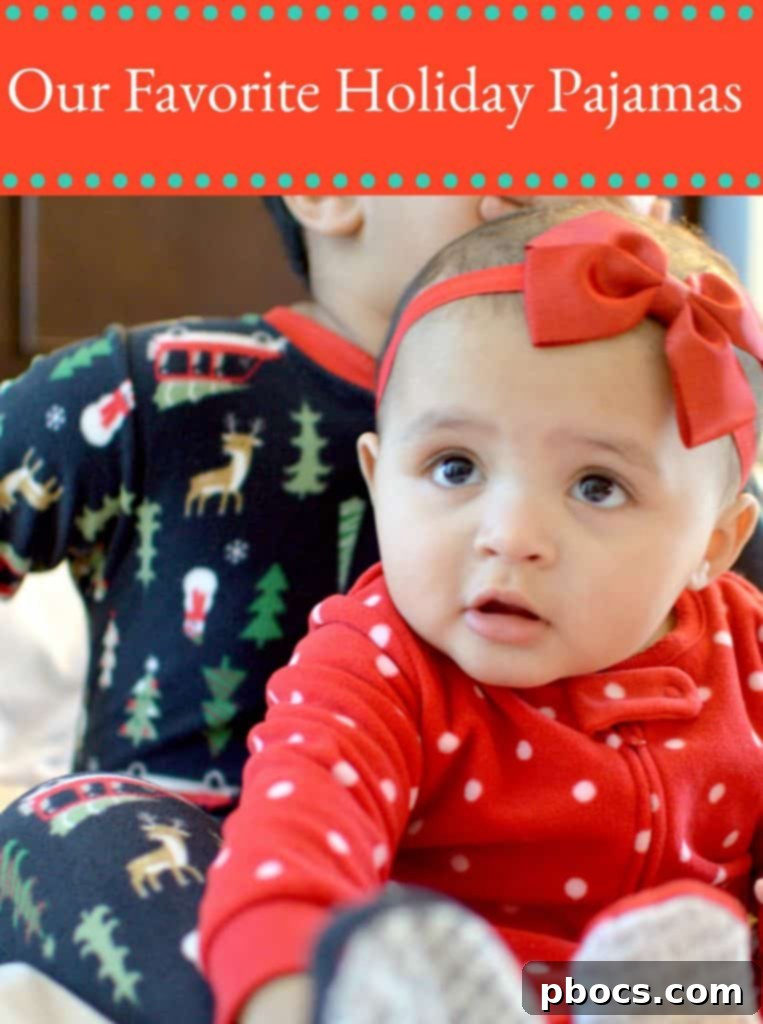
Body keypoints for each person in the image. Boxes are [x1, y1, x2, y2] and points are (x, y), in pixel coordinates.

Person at [0, 195, 668, 1024]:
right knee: (62, 826)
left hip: (501, 926)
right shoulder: (156, 386)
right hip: (196, 862)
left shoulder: (664, 447)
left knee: (693, 958)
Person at [198, 203, 763, 1024]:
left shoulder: (743, 649)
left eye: (596, 487)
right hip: (446, 994)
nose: (510, 538)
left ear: (713, 543)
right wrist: (292, 995)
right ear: (377, 474)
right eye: (454, 467)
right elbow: (294, 840)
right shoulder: (379, 661)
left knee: (704, 955)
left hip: (670, 991)